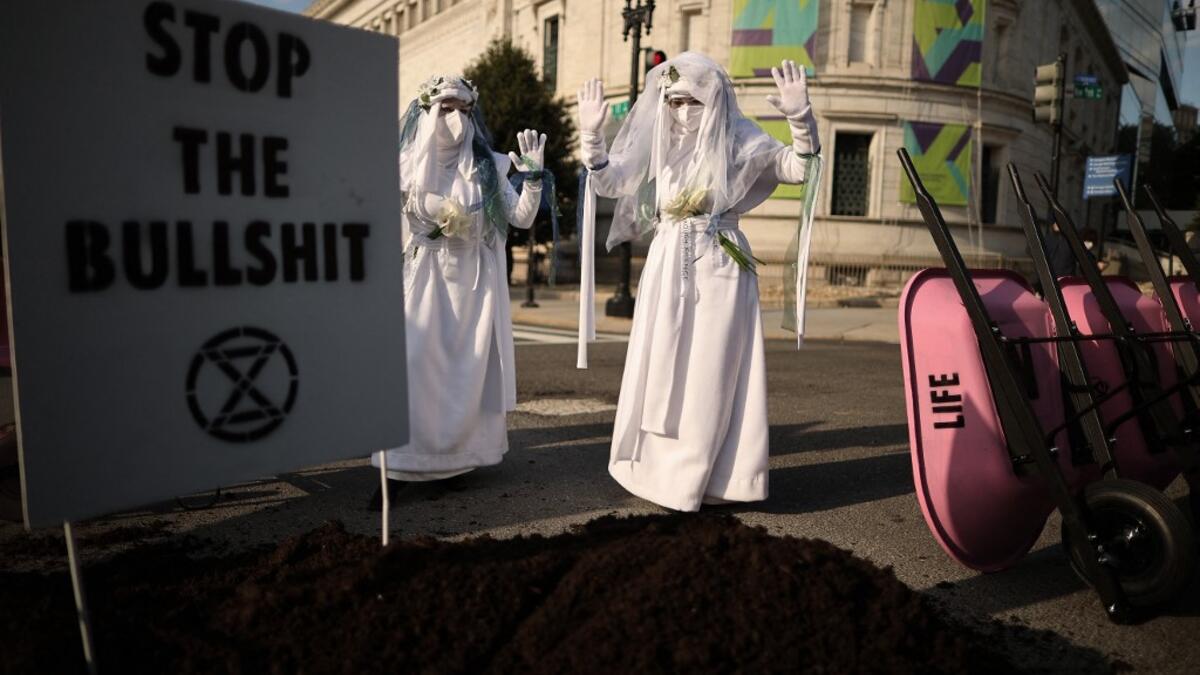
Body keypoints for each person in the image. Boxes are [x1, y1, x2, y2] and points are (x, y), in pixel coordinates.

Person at [574, 53, 821, 511]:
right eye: (674, 101)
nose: (683, 111)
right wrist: (592, 139)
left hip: (720, 261)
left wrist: (800, 119)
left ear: (715, 99)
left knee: (713, 366)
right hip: (669, 256)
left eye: (693, 101)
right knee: (662, 360)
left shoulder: (740, 139)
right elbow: (610, 181)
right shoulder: (660, 141)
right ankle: (656, 470)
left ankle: (714, 475)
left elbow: (799, 168)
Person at [371, 75, 547, 504]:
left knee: (463, 376)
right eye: (446, 109)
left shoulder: (488, 166)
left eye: (464, 110)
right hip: (424, 280)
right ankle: (401, 464)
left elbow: (520, 218)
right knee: (415, 367)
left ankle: (453, 460)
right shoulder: (405, 165)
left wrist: (533, 178)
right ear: (427, 112)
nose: (455, 119)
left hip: (472, 287)